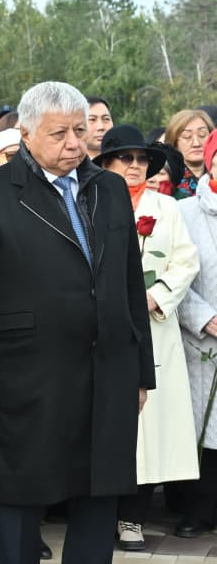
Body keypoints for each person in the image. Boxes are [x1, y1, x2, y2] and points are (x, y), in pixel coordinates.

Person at [0, 81, 154, 564]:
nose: (74, 144)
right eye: (59, 134)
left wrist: (139, 372)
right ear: (25, 133)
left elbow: (129, 284)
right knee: (21, 499)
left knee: (100, 495)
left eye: (80, 131)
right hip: (26, 378)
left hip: (107, 371)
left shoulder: (109, 189)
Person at [91, 125, 200, 549]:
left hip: (154, 327)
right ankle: (99, 514)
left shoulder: (166, 207)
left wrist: (155, 297)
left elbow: (185, 262)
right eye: (125, 158)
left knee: (149, 428)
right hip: (101, 330)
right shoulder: (89, 201)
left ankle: (132, 518)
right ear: (106, 163)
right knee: (105, 424)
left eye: (141, 159)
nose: (134, 166)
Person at [176, 129, 217, 537]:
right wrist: (203, 317)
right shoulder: (184, 212)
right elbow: (175, 273)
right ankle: (198, 510)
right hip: (201, 339)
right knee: (203, 428)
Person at [166, 109, 214, 199]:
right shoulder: (166, 180)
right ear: (174, 142)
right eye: (187, 136)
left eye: (202, 135)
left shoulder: (214, 175)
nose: (196, 143)